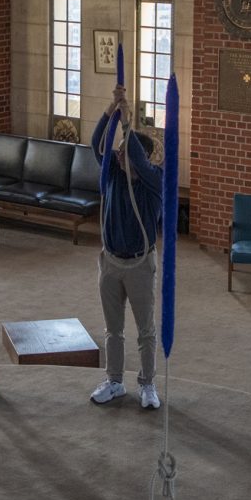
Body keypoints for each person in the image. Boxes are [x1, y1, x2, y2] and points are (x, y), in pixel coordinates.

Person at [88, 85, 164, 410]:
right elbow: (96, 144)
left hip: (140, 264)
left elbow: (137, 158)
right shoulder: (112, 176)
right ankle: (115, 381)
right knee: (113, 329)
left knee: (145, 330)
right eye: (118, 151)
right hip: (111, 262)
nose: (117, 155)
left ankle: (147, 384)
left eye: (123, 151)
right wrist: (112, 108)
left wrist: (128, 121)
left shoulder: (154, 182)